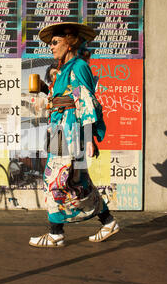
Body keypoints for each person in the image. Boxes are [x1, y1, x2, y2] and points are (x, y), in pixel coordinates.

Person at [29, 22, 119, 248]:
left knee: (53, 180)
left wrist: (89, 138)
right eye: (51, 43)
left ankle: (56, 233)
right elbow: (62, 98)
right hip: (61, 129)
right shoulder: (63, 70)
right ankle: (108, 222)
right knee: (78, 183)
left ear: (70, 43)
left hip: (70, 131)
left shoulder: (78, 66)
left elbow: (86, 102)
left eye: (55, 42)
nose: (51, 47)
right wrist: (43, 89)